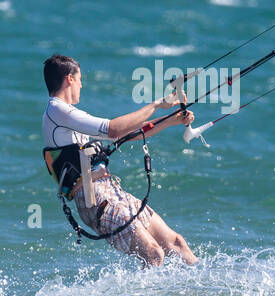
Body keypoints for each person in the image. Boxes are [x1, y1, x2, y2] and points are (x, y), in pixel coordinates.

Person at [41, 54, 198, 266]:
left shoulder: (68, 116)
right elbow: (114, 128)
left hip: (110, 190)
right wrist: (156, 104)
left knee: (176, 244)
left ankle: (206, 290)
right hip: (93, 197)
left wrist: (170, 121)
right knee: (153, 254)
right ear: (69, 79)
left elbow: (126, 133)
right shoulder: (56, 110)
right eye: (80, 79)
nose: (81, 85)